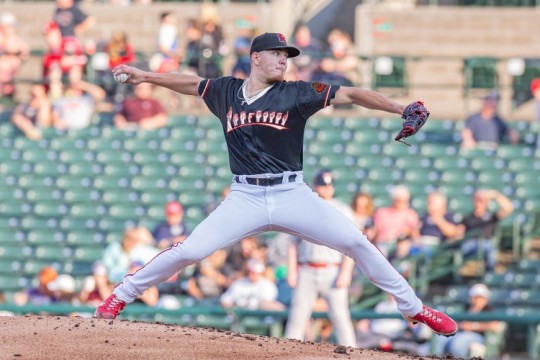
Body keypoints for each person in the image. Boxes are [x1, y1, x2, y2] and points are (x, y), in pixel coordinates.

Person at [95, 32, 458, 339]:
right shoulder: (225, 91)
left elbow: (351, 94)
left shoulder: (298, 92)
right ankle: (121, 295)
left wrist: (399, 108)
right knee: (190, 251)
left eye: (287, 54)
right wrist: (146, 76)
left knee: (356, 242)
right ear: (255, 58)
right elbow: (190, 83)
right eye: (277, 53)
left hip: (291, 193)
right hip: (245, 195)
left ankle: (413, 308)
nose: (284, 59)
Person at [285, 170, 357, 347]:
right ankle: (285, 353)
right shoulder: (304, 209)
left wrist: (346, 272)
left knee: (341, 318)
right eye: (322, 186)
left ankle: (354, 355)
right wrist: (292, 271)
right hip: (307, 268)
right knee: (297, 317)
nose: (326, 189)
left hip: (332, 269)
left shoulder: (343, 210)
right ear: (315, 187)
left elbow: (352, 244)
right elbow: (293, 243)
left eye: (329, 186)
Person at [434, 283, 502, 358]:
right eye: (475, 297)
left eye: (480, 297)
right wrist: (461, 325)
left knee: (457, 345)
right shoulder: (466, 307)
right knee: (439, 339)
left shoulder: (489, 309)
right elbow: (459, 323)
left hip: (478, 336)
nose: (477, 300)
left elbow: (495, 326)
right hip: (461, 333)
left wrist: (473, 326)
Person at [460, 189, 513, 272]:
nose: (478, 203)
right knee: (458, 251)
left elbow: (508, 208)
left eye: (481, 201)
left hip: (486, 241)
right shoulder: (467, 218)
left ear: (486, 203)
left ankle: (489, 274)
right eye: (477, 200)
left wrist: (495, 195)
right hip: (470, 242)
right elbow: (460, 231)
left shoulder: (491, 217)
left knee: (491, 249)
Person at [372, 185, 421, 257]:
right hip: (383, 244)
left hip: (401, 245)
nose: (403, 203)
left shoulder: (411, 214)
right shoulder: (382, 213)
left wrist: (409, 231)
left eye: (405, 201)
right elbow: (375, 232)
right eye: (400, 201)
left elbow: (416, 236)